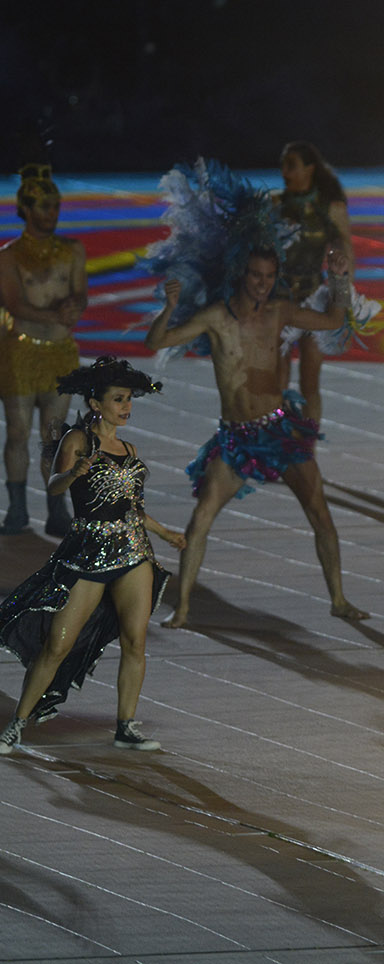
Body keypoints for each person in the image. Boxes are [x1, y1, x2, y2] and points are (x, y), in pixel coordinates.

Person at [144, 253, 368, 627]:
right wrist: (169, 308)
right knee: (200, 520)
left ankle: (339, 600)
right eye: (255, 275)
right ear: (241, 275)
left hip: (279, 432)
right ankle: (181, 608)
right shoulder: (217, 317)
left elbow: (331, 321)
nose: (262, 283)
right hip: (235, 439)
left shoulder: (279, 312)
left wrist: (340, 280)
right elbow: (157, 341)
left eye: (269, 276)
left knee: (321, 515)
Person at [0, 357, 184, 754]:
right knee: (57, 647)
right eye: (118, 399)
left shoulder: (129, 448)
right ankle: (17, 724)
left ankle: (126, 725)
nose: (126, 406)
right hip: (87, 556)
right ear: (95, 403)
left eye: (129, 399)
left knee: (135, 642)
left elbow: (131, 506)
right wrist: (72, 474)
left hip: (134, 552)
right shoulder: (79, 441)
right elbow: (53, 487)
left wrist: (165, 532)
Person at [0, 163, 83, 536]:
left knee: (55, 436)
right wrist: (57, 312)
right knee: (18, 432)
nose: (52, 214)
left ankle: (57, 508)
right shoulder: (9, 256)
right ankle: (17, 508)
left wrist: (75, 306)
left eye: (55, 206)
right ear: (26, 209)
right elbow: (15, 305)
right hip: (21, 351)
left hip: (60, 351)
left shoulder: (73, 250)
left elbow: (80, 291)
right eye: (44, 207)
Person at [273, 141, 354, 425]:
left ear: (310, 168)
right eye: (283, 165)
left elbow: (345, 257)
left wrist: (344, 300)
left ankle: (306, 452)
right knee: (277, 383)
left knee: (310, 384)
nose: (284, 172)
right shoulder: (274, 206)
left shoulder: (330, 208)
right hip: (278, 303)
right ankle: (279, 445)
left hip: (313, 300)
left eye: (291, 165)